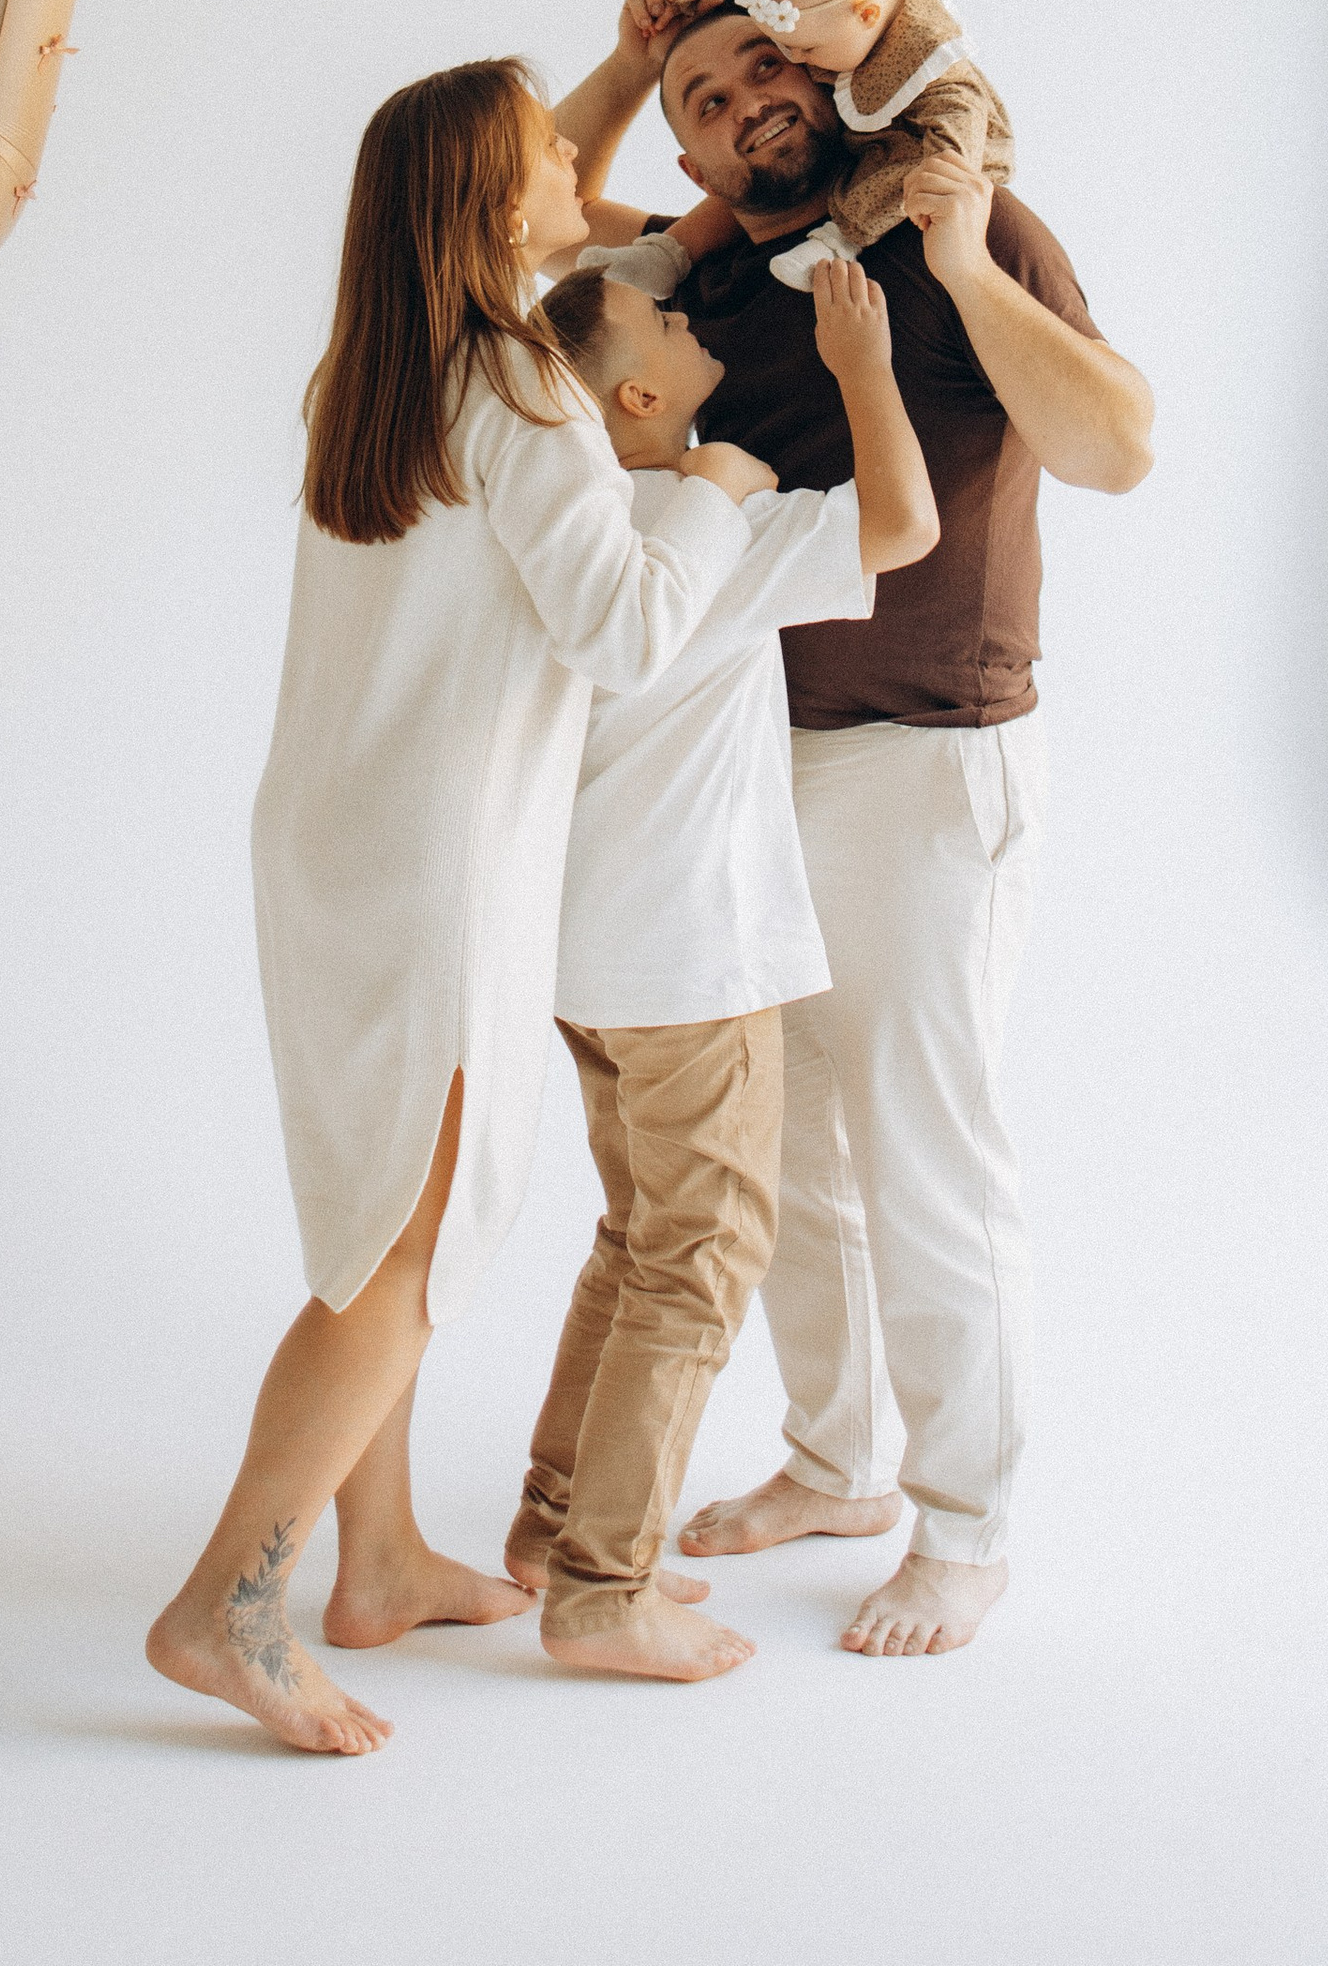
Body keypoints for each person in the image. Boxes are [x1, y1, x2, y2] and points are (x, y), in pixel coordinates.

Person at [145, 57, 776, 1757]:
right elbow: (627, 631)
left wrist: (633, 73)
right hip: (433, 865)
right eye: (548, 162)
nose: (584, 167)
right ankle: (230, 1599)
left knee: (373, 1216)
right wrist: (712, 491)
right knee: (409, 1244)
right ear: (502, 212)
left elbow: (573, 197)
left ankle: (381, 1561)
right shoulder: (521, 379)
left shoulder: (374, 371)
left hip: (334, 843)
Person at [555, 0, 1154, 1658]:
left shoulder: (962, 221)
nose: (739, 97)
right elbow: (525, 219)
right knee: (796, 1151)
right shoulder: (701, 286)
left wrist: (959, 266)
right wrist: (624, 61)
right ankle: (835, 1462)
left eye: (760, 63)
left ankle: (967, 1523)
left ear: (824, 69)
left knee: (924, 1148)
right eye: (699, 96)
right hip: (753, 765)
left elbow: (1118, 450)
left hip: (931, 751)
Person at [505, 258, 938, 1686]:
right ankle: (601, 1589)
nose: (694, 324)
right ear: (636, 396)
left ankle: (553, 1524)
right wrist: (863, 365)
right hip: (690, 958)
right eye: (672, 325)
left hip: (588, 961)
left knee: (639, 1239)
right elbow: (904, 525)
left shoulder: (567, 531)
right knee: (701, 1263)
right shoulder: (706, 524)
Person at [588, 0, 1013, 300]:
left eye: (768, 64)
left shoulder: (972, 241)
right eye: (712, 102)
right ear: (696, 174)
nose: (752, 106)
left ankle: (837, 240)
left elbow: (1080, 383)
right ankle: (667, 252)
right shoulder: (682, 288)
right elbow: (529, 212)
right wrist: (634, 61)